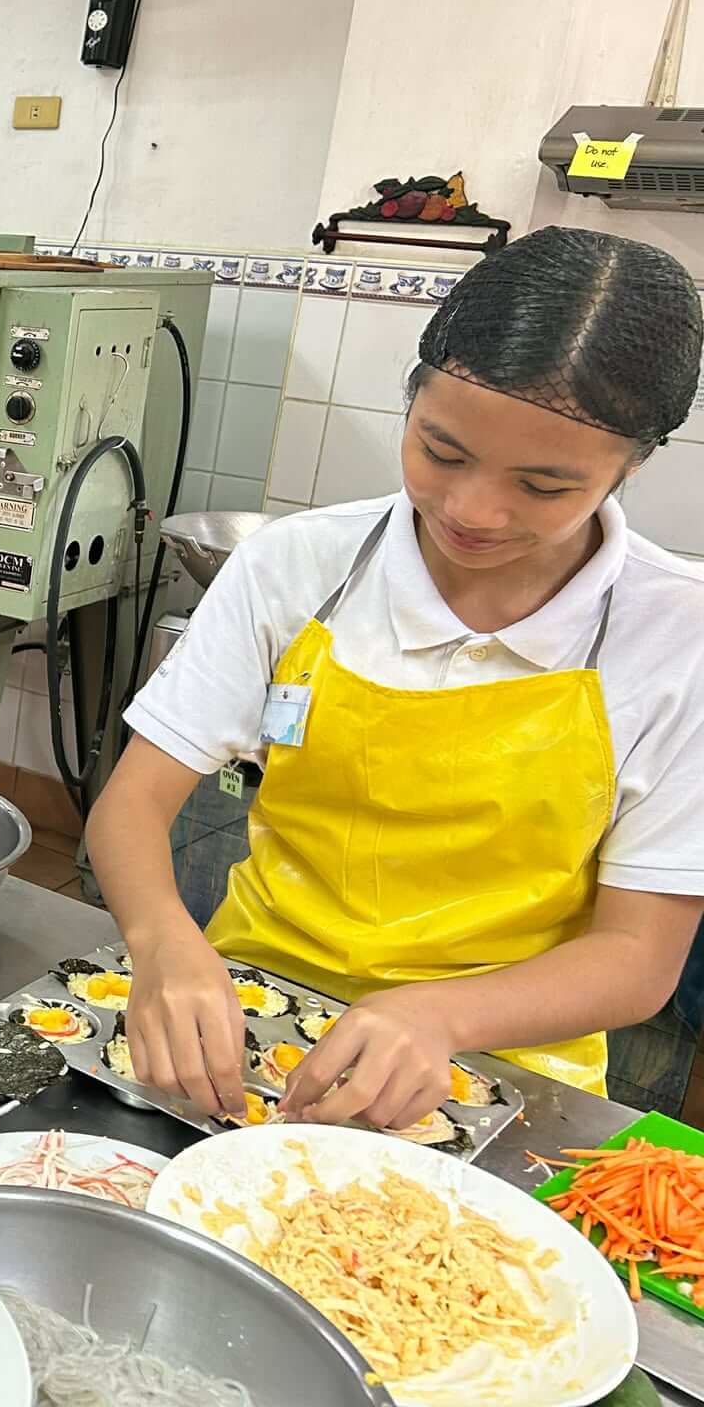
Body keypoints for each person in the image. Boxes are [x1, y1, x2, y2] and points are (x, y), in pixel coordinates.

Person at [91, 225, 704, 1127]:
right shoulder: (297, 565)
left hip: (504, 1067)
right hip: (253, 1020)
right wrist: (162, 944)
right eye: (441, 452)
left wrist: (439, 1016)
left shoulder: (679, 635)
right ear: (412, 400)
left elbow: (637, 957)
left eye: (543, 487)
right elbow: (133, 805)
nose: (473, 511)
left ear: (635, 462)